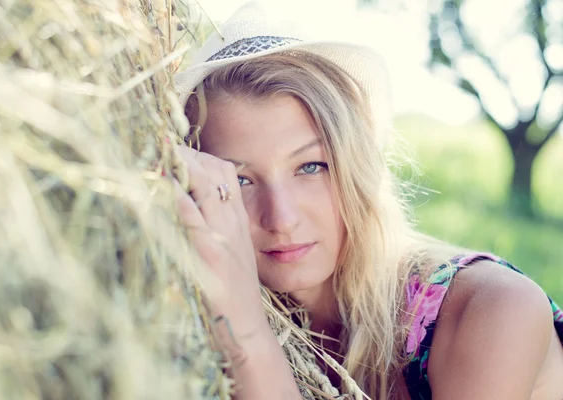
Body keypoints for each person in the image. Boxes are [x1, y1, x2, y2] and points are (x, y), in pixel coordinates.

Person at [171, 2, 563, 399]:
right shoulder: (196, 314)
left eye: (311, 167)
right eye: (240, 179)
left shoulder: (494, 311)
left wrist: (246, 332)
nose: (282, 218)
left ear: (358, 167)